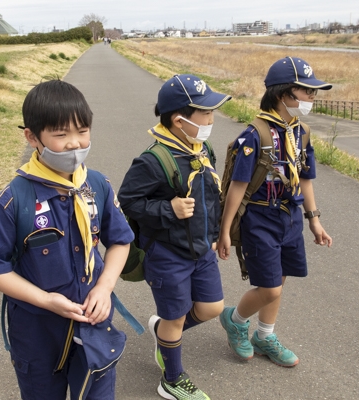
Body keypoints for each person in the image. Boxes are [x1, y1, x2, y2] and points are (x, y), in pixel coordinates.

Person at [0, 80, 134, 400]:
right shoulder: (13, 200)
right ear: (32, 137)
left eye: (83, 131)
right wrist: (46, 300)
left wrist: (104, 287)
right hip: (37, 330)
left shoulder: (97, 185)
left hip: (93, 320)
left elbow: (120, 241)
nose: (75, 144)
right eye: (61, 135)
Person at [118, 74, 231, 400]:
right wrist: (169, 209)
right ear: (179, 120)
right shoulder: (153, 160)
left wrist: (213, 235)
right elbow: (129, 200)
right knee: (175, 315)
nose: (212, 119)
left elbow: (210, 196)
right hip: (167, 254)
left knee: (212, 307)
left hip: (201, 250)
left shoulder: (201, 147)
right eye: (205, 113)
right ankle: (172, 378)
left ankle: (165, 331)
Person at [217, 56, 333, 368]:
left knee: (280, 277)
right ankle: (236, 320)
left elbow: (305, 180)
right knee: (270, 286)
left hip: (290, 217)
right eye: (307, 92)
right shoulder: (254, 135)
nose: (311, 99)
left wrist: (315, 221)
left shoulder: (301, 132)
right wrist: (225, 230)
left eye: (313, 93)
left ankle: (265, 335)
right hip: (260, 219)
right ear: (284, 94)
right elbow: (237, 187)